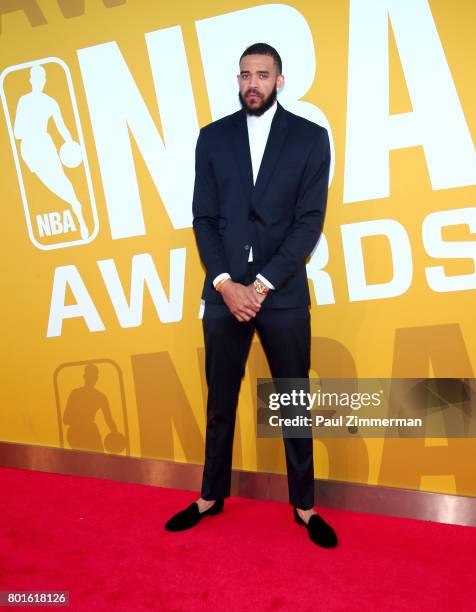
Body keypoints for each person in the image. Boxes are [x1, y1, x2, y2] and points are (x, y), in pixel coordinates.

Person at [165, 43, 337, 548]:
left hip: (280, 296)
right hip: (222, 294)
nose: (252, 84)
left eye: (262, 74)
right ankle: (210, 495)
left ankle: (304, 507)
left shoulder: (310, 139)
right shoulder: (212, 138)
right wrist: (225, 283)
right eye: (244, 75)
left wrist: (258, 286)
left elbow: (308, 224)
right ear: (237, 80)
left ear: (280, 80)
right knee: (220, 401)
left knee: (292, 401)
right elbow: (204, 218)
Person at [14, 64, 89, 241]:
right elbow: (17, 132)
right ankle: (74, 205)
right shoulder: (23, 101)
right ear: (31, 80)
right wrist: (30, 128)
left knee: (60, 178)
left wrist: (70, 143)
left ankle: (78, 213)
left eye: (42, 79)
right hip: (29, 148)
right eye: (36, 78)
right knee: (50, 182)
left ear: (44, 81)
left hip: (44, 144)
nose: (39, 82)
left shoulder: (50, 102)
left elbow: (61, 126)